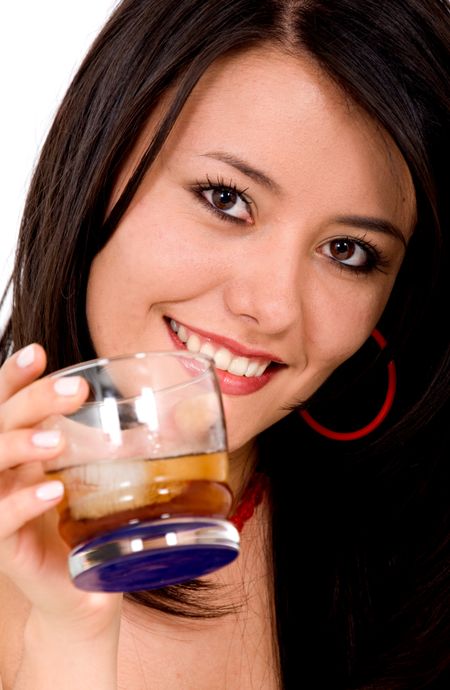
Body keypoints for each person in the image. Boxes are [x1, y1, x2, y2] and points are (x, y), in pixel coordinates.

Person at [0, 0, 448, 687]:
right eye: (226, 199)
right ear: (99, 161)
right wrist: (70, 639)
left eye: (348, 250)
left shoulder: (422, 558)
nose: (270, 307)